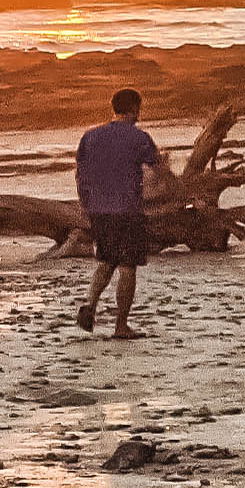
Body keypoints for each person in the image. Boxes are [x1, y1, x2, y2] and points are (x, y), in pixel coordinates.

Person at [72, 86, 171, 339]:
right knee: (127, 266)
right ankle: (121, 325)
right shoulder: (139, 138)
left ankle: (90, 304)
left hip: (98, 209)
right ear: (136, 108)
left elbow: (79, 174)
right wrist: (170, 170)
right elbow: (159, 170)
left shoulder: (90, 136)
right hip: (127, 209)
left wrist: (86, 203)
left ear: (113, 108)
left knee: (106, 261)